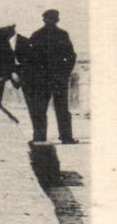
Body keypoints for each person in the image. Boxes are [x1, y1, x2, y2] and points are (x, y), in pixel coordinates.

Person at [22, 9, 79, 144]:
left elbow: (29, 59)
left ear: (44, 19)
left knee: (40, 108)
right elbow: (71, 56)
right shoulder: (62, 34)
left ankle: (39, 137)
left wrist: (34, 76)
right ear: (57, 20)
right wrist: (66, 72)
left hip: (42, 79)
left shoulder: (36, 35)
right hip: (59, 78)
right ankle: (66, 137)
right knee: (62, 108)